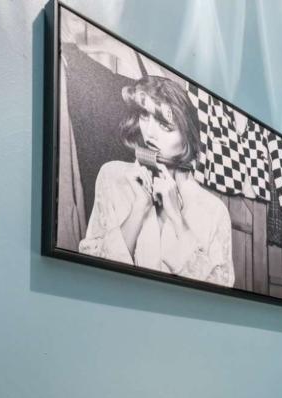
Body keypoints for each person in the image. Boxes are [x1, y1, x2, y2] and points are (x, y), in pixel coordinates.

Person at [80, 76, 234, 287]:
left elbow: (218, 293)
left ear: (187, 138)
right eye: (145, 116)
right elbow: (91, 273)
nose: (150, 133)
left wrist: (178, 220)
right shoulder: (113, 177)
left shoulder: (213, 210)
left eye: (164, 125)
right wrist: (138, 209)